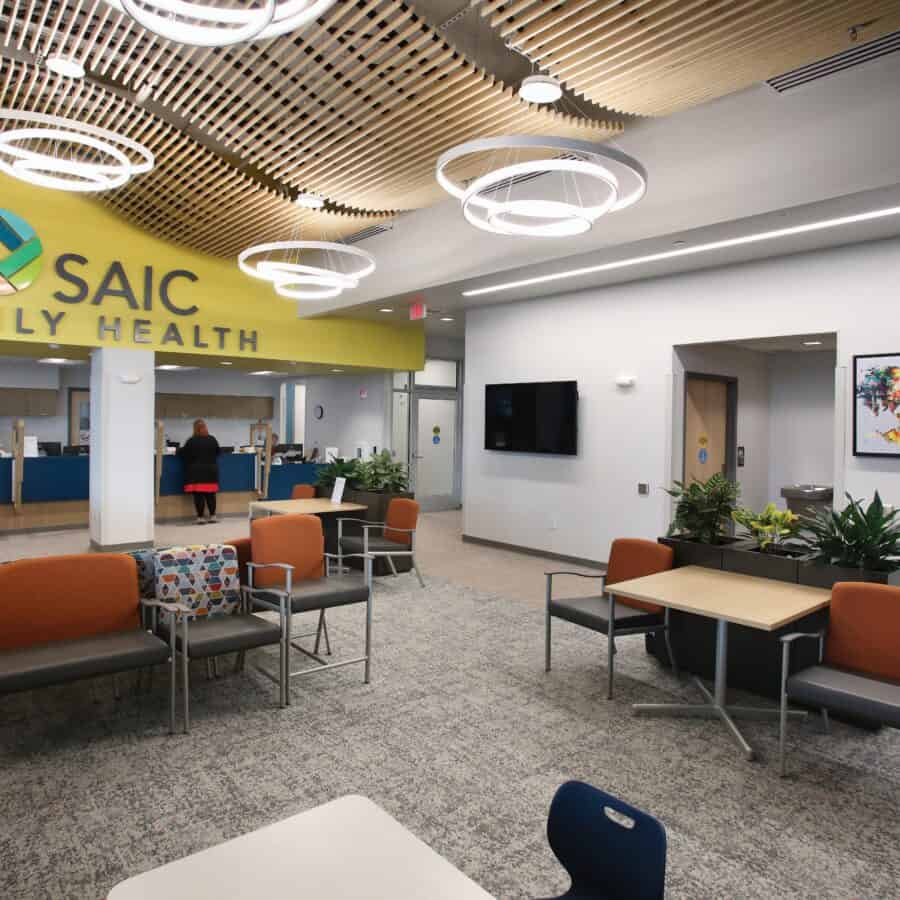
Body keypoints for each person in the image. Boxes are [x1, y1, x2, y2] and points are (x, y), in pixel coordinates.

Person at [178, 419, 221, 524]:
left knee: (199, 495)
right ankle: (213, 516)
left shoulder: (192, 441)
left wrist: (177, 450)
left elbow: (183, 453)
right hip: (210, 471)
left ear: (194, 429)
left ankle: (201, 518)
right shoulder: (212, 439)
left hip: (196, 472)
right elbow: (218, 452)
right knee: (211, 495)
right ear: (205, 427)